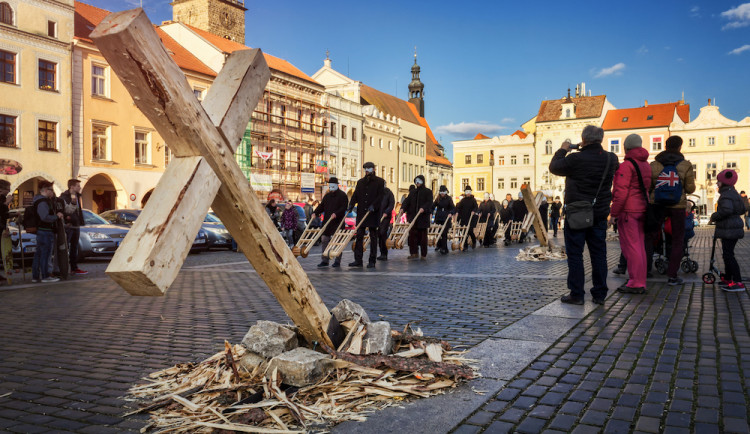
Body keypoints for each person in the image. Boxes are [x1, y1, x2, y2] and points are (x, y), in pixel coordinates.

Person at [549, 125, 618, 305]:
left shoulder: (575, 159)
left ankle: (577, 294)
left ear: (584, 139)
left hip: (577, 214)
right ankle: (600, 294)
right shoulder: (611, 159)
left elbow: (554, 167)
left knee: (575, 254)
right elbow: (595, 158)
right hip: (599, 214)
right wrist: (586, 146)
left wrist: (564, 149)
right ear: (601, 139)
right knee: (599, 254)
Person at [645, 135, 696, 286]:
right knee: (678, 239)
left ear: (665, 146)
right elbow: (690, 188)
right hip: (678, 205)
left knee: (649, 236)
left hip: (657, 203)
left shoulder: (654, 164)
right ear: (680, 146)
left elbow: (648, 187)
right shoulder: (686, 164)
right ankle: (672, 275)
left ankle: (645, 269)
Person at [610, 134, 651, 294]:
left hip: (628, 211)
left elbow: (621, 191)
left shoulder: (627, 166)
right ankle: (639, 280)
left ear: (626, 147)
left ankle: (636, 282)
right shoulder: (645, 164)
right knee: (640, 247)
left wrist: (614, 212)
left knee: (631, 248)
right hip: (641, 208)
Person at [710, 169, 745, 291]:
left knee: (729, 255)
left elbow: (726, 210)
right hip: (733, 227)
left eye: (718, 182)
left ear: (724, 182)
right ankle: (729, 279)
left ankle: (737, 281)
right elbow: (742, 209)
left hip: (729, 228)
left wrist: (714, 216)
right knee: (727, 254)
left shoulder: (726, 195)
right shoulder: (734, 193)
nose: (717, 184)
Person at [348, 162, 385, 268]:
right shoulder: (360, 182)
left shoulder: (379, 182)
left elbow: (380, 196)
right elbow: (355, 195)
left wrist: (374, 205)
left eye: (369, 168)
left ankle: (372, 260)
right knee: (359, 236)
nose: (367, 170)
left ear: (373, 169)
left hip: (372, 213)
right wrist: (351, 205)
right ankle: (358, 260)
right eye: (365, 169)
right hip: (361, 213)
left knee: (373, 237)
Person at [312, 177, 348, 267]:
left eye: (332, 185)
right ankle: (325, 260)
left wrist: (336, 214)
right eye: (330, 185)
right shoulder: (327, 196)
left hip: (338, 222)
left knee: (338, 242)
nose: (331, 187)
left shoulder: (343, 195)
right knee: (324, 240)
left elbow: (344, 208)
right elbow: (321, 206)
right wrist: (315, 213)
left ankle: (337, 261)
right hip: (327, 222)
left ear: (336, 185)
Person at [32, 181, 63, 283]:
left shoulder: (39, 200)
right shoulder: (42, 202)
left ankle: (36, 277)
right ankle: (45, 276)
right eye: (51, 189)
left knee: (39, 254)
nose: (52, 192)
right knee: (45, 254)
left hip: (42, 231)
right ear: (45, 190)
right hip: (45, 231)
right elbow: (44, 217)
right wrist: (56, 216)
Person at [59, 179, 87, 275]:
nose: (80, 187)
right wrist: (67, 220)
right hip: (69, 226)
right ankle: (63, 268)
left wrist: (80, 221)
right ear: (72, 187)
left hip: (76, 225)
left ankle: (74, 268)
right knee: (65, 247)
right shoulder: (64, 197)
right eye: (78, 186)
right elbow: (64, 210)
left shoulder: (78, 196)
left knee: (74, 248)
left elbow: (78, 210)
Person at [402, 175, 433, 259]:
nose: (417, 182)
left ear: (423, 181)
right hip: (413, 218)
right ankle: (413, 253)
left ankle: (423, 254)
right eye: (416, 181)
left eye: (419, 181)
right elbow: (407, 201)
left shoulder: (428, 191)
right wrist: (402, 208)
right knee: (412, 237)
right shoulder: (413, 192)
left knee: (423, 238)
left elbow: (429, 202)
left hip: (423, 218)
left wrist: (424, 208)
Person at [432, 185, 455, 254]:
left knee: (444, 233)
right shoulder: (438, 199)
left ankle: (444, 248)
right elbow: (433, 206)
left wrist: (451, 213)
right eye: (441, 192)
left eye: (443, 192)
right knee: (438, 232)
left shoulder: (449, 198)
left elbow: (453, 208)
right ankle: (439, 245)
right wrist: (430, 211)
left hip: (446, 217)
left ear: (446, 192)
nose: (442, 193)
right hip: (439, 217)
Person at [377, 182, 395, 261]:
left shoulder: (389, 193)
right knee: (379, 235)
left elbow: (391, 204)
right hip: (378, 216)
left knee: (383, 233)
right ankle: (381, 252)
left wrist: (386, 212)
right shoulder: (377, 193)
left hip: (386, 217)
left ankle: (384, 253)